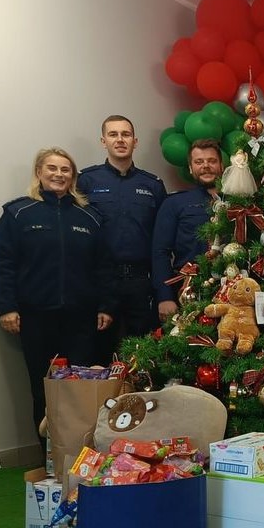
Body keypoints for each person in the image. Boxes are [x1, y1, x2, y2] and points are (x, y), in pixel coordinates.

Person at [0, 148, 115, 451]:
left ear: (73, 176)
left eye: (65, 169)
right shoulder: (18, 213)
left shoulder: (90, 217)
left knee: (81, 389)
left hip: (81, 319)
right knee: (42, 388)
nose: (59, 174)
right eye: (52, 168)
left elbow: (104, 267)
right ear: (39, 173)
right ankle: (48, 458)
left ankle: (79, 455)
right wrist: (7, 307)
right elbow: (2, 264)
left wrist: (106, 306)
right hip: (35, 317)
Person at [78, 115, 166, 360]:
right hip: (100, 283)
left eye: (126, 134)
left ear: (135, 141)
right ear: (103, 141)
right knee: (99, 354)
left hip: (140, 283)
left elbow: (161, 240)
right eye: (113, 134)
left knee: (144, 354)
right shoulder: (87, 180)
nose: (120, 139)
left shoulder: (152, 185)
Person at [151, 139, 224, 322]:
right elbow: (160, 252)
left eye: (212, 161)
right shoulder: (174, 203)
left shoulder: (238, 203)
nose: (206, 166)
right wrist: (165, 296)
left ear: (221, 166)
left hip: (232, 292)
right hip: (188, 292)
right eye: (199, 162)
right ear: (191, 168)